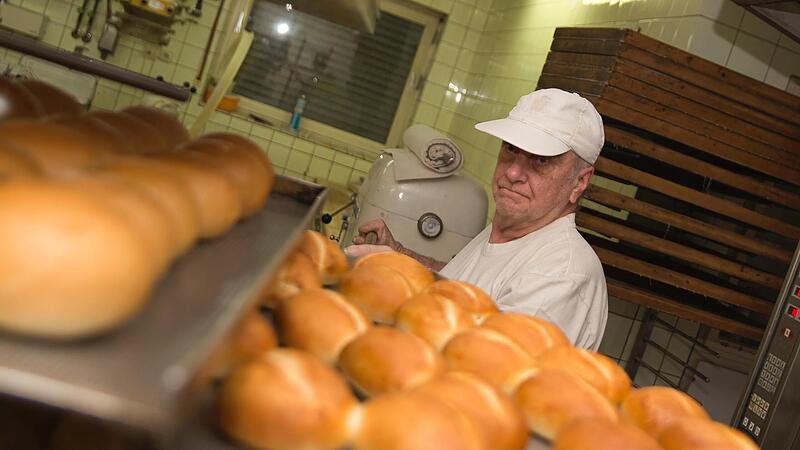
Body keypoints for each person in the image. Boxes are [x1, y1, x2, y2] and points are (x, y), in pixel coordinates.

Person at [346, 88, 608, 350]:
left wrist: (401, 292)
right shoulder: (511, 228)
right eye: (510, 149)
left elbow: (488, 359)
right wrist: (401, 257)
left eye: (540, 160)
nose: (513, 172)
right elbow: (468, 289)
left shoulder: (561, 272)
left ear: (579, 182)